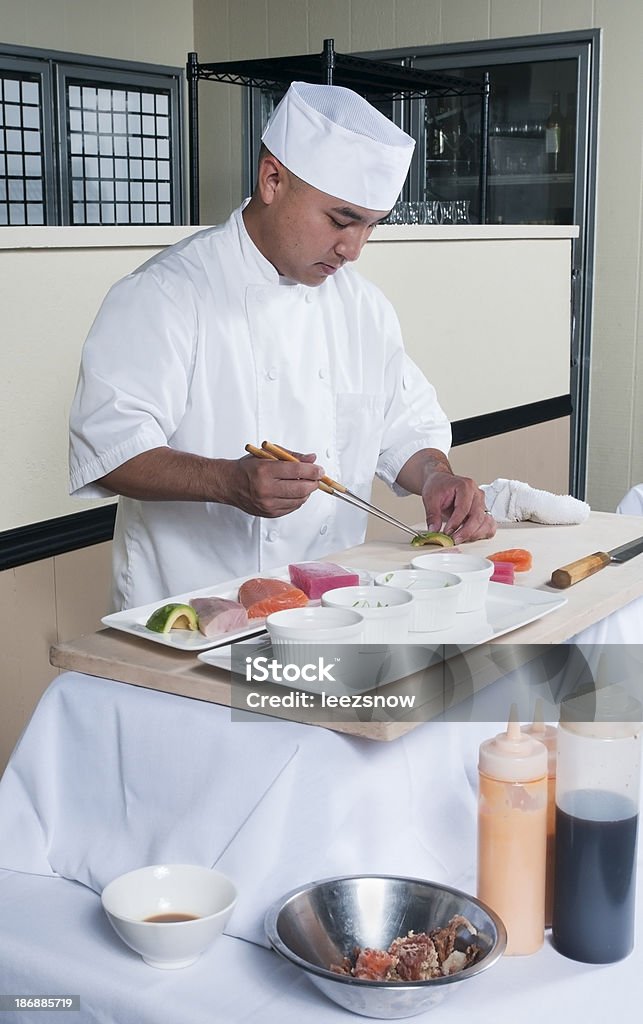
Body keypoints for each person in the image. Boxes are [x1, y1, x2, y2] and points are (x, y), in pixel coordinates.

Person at [69, 81, 495, 611]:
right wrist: (228, 482)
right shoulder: (166, 293)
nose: (354, 248)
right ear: (273, 179)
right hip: (192, 616)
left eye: (370, 227)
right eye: (341, 221)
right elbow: (110, 451)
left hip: (332, 612)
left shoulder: (364, 308)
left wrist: (437, 478)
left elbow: (403, 429)